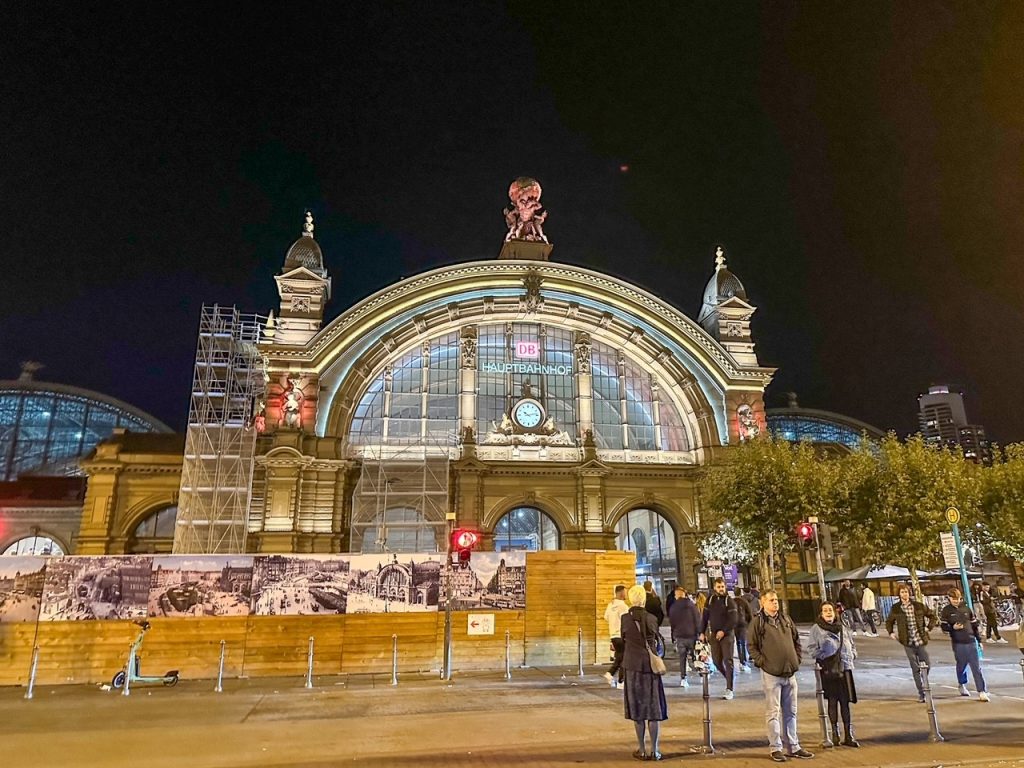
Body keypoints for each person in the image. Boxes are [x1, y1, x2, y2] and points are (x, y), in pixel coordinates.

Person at [748, 589, 814, 762]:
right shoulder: (758, 622)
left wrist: (796, 659)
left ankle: (794, 746)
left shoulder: (786, 619)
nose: (775, 603)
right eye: (771, 600)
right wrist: (762, 662)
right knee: (773, 712)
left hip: (790, 672)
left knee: (791, 712)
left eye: (776, 600)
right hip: (772, 674)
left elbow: (796, 640)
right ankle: (775, 747)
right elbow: (751, 646)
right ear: (763, 602)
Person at [621, 584, 668, 761]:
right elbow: (655, 640)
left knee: (638, 710)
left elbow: (624, 640)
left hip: (632, 667)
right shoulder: (651, 618)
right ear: (644, 599)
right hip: (650, 666)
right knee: (653, 710)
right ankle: (654, 750)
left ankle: (641, 748)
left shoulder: (625, 618)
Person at [807, 601, 859, 747]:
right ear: (821, 613)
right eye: (825, 610)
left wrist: (852, 654)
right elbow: (811, 649)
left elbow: (851, 642)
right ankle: (835, 734)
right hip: (829, 669)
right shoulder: (816, 629)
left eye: (830, 610)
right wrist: (825, 655)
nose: (828, 612)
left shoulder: (842, 626)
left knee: (845, 702)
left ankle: (849, 734)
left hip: (845, 667)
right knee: (832, 701)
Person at [885, 584, 938, 702]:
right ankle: (922, 693)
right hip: (907, 641)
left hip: (920, 640)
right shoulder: (896, 608)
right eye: (902, 592)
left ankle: (924, 683)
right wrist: (891, 633)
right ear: (899, 594)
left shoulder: (918, 606)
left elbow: (933, 616)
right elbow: (889, 621)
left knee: (927, 664)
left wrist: (928, 628)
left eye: (906, 592)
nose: (905, 594)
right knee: (915, 668)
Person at [938, 587, 989, 700]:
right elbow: (943, 627)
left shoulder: (966, 608)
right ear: (949, 598)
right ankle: (962, 684)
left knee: (976, 667)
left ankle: (982, 691)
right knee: (962, 665)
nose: (956, 601)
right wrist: (952, 627)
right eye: (954, 599)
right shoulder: (946, 611)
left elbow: (974, 626)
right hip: (958, 643)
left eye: (958, 599)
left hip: (971, 641)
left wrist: (979, 640)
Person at [700, 577, 738, 699]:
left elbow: (733, 619)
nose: (721, 589)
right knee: (716, 661)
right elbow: (704, 617)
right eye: (718, 587)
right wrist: (701, 632)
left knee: (728, 660)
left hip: (727, 635)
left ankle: (729, 688)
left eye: (722, 586)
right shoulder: (710, 600)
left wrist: (724, 631)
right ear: (714, 588)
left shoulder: (729, 601)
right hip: (714, 635)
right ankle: (729, 676)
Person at [669, 586, 701, 687]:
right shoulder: (691, 605)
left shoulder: (673, 607)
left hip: (680, 636)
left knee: (682, 658)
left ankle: (683, 678)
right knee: (695, 655)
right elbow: (697, 619)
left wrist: (674, 634)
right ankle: (701, 674)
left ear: (677, 595)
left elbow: (672, 622)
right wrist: (699, 632)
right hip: (691, 635)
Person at [603, 584, 629, 688]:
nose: (626, 594)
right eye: (625, 592)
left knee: (619, 657)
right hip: (621, 635)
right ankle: (621, 681)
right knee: (624, 658)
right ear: (621, 593)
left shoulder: (610, 605)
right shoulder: (623, 606)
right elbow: (627, 620)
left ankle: (610, 674)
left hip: (613, 635)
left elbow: (606, 617)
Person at [735, 587, 754, 673]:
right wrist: (750, 623)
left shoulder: (731, 601)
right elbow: (749, 613)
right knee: (743, 643)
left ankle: (741, 660)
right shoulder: (744, 601)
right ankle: (744, 662)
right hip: (743, 624)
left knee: (738, 643)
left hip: (734, 625)